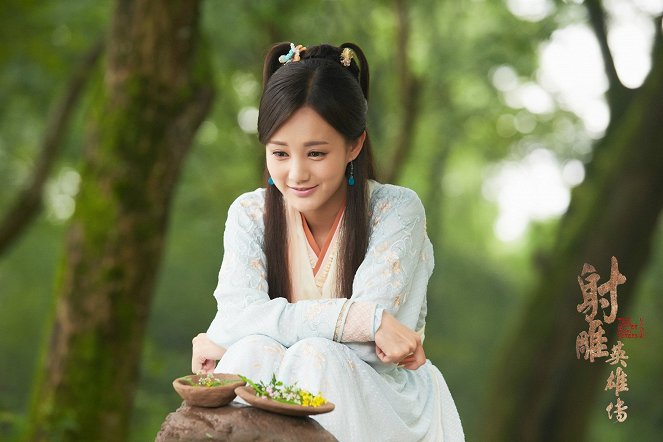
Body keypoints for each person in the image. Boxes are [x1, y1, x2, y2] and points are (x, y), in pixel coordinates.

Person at [191, 41, 464, 441]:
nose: (297, 174)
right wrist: (357, 319)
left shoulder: (395, 211)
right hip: (279, 390)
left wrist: (237, 331)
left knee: (315, 356)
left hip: (381, 402)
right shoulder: (251, 214)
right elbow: (237, 320)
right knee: (250, 353)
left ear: (354, 145)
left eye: (316, 153)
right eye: (280, 154)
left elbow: (372, 350)